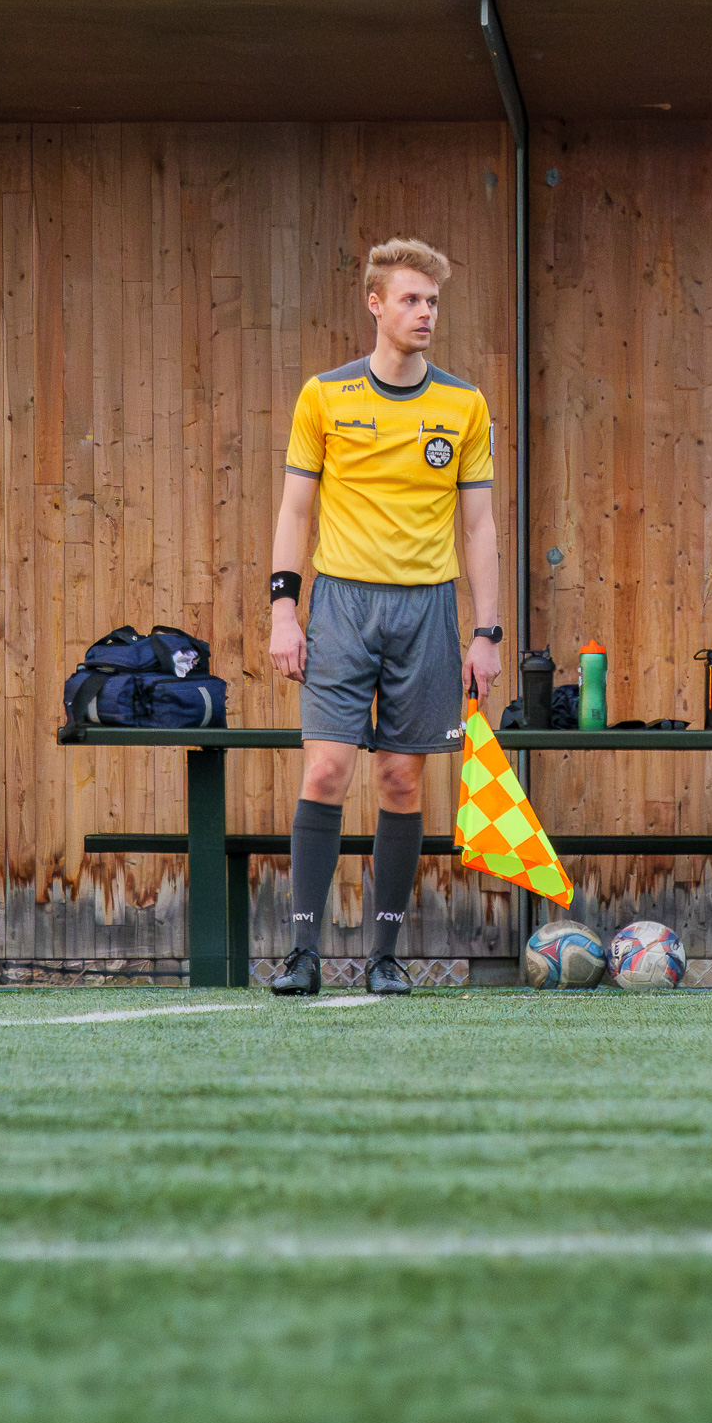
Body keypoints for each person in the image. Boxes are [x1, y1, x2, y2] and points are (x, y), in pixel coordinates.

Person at [268, 237, 503, 996]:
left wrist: (487, 632)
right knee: (326, 769)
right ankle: (302, 953)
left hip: (426, 610)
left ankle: (384, 956)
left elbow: (479, 528)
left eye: (432, 301)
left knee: (401, 781)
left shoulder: (464, 405)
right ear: (375, 305)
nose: (424, 312)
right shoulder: (324, 396)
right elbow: (294, 510)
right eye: (409, 299)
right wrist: (283, 611)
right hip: (340, 605)